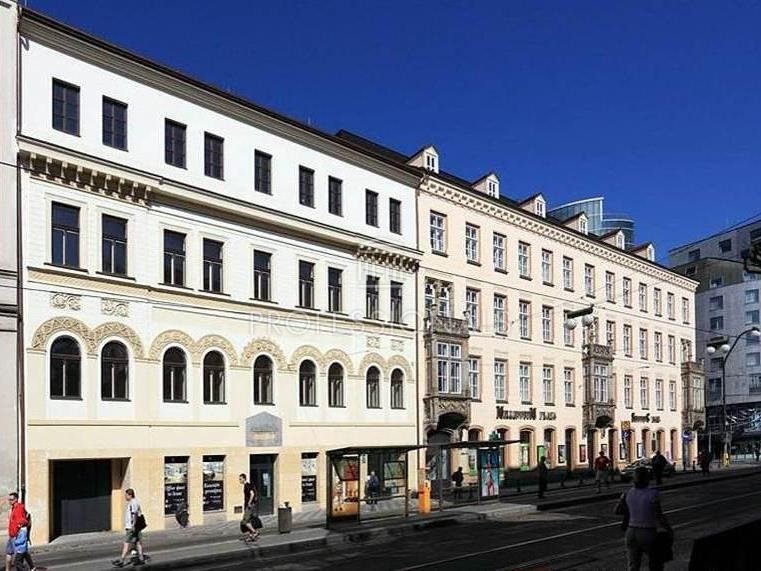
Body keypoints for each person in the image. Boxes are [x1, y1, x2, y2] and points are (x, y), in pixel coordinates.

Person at [616, 466, 673, 571]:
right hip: (648, 532)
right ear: (647, 478)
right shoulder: (653, 494)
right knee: (656, 563)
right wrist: (668, 529)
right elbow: (659, 516)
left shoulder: (627, 493)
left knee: (633, 565)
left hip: (631, 532)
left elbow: (618, 511)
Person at [112, 489, 144, 567]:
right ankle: (141, 559)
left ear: (130, 495)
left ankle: (121, 561)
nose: (125, 497)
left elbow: (135, 515)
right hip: (135, 527)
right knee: (138, 542)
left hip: (131, 527)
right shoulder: (134, 502)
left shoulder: (133, 503)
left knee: (126, 543)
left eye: (126, 495)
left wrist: (133, 526)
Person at [6, 491, 36, 571]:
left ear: (16, 499)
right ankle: (32, 567)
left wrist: (18, 530)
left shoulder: (19, 508)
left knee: (17, 561)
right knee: (23, 553)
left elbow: (23, 521)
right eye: (9, 500)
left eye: (11, 500)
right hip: (13, 535)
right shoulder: (14, 508)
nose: (10, 501)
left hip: (17, 535)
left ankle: (28, 568)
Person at [239, 474, 259, 542]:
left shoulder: (247, 485)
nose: (240, 480)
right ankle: (251, 536)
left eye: (240, 479)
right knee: (249, 521)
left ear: (244, 479)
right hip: (249, 505)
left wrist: (249, 503)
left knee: (245, 521)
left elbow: (252, 494)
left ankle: (255, 532)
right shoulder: (247, 485)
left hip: (249, 506)